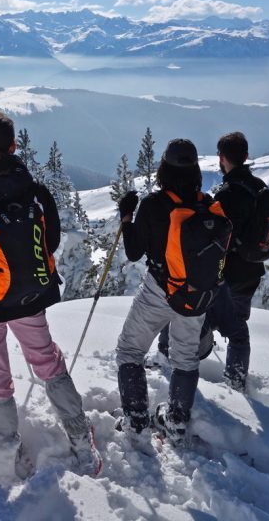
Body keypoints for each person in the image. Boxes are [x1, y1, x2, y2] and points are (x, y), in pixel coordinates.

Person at [0, 112, 101, 477]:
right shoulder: (34, 190)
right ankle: (80, 440)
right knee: (47, 361)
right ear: (14, 146)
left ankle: (6, 449)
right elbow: (50, 240)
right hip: (28, 296)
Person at [114, 138, 226, 445]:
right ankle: (176, 422)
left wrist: (126, 217)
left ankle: (137, 420)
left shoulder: (154, 204)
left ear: (164, 167)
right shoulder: (206, 203)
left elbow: (135, 252)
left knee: (130, 350)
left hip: (160, 288)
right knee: (185, 357)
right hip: (195, 292)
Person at [158, 131, 265, 391]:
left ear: (222, 158)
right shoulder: (260, 187)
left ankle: (166, 363)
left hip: (226, 273)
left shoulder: (227, 194)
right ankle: (235, 382)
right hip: (252, 272)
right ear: (246, 156)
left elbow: (213, 236)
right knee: (238, 331)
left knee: (190, 317)